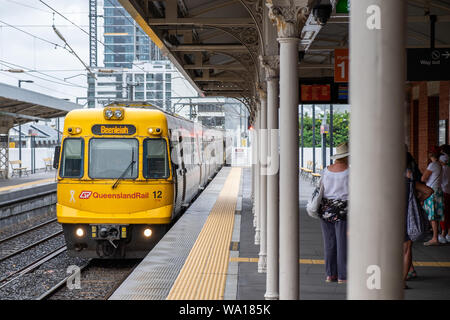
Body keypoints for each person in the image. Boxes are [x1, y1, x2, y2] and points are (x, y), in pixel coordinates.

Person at [319, 142, 349, 284]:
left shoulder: (325, 171)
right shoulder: (350, 171)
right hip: (343, 211)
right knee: (342, 243)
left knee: (329, 243)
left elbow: (320, 189)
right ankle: (343, 276)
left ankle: (330, 275)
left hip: (326, 211)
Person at [404, 151, 433, 289]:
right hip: (408, 215)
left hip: (392, 216)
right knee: (407, 248)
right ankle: (402, 280)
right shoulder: (410, 180)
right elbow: (429, 191)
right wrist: (417, 200)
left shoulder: (387, 179)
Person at [421, 146, 445, 246]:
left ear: (430, 154)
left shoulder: (432, 165)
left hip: (432, 192)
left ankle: (434, 238)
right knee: (436, 215)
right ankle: (436, 235)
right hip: (439, 191)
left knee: (432, 215)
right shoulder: (440, 165)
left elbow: (423, 178)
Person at [439, 153, 450, 243]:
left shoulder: (442, 169)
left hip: (444, 192)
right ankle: (449, 234)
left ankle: (443, 234)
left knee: (443, 214)